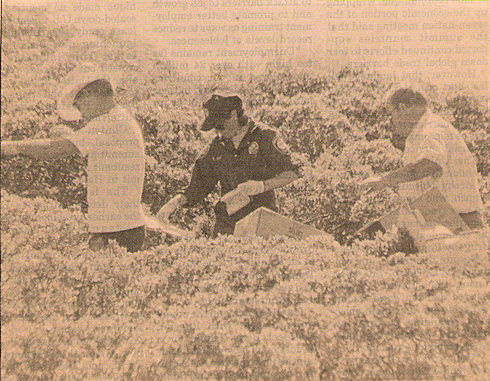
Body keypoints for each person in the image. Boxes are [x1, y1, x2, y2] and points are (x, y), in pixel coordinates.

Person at [1, 69, 147, 252]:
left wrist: (12, 147)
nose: (82, 115)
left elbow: (53, 150)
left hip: (115, 230)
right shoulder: (121, 119)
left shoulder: (107, 123)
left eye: (79, 107)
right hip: (123, 226)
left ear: (88, 95)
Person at [157, 92, 300, 237]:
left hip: (261, 219)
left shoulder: (264, 137)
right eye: (214, 128)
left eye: (220, 126)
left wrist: (262, 186)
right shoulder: (217, 146)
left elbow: (292, 172)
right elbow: (198, 186)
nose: (218, 132)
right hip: (227, 224)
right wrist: (174, 204)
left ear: (233, 115)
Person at [359, 86, 485, 230]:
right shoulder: (419, 133)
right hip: (443, 222)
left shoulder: (432, 129)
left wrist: (384, 180)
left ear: (402, 108)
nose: (391, 121)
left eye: (390, 114)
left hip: (460, 222)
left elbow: (430, 163)